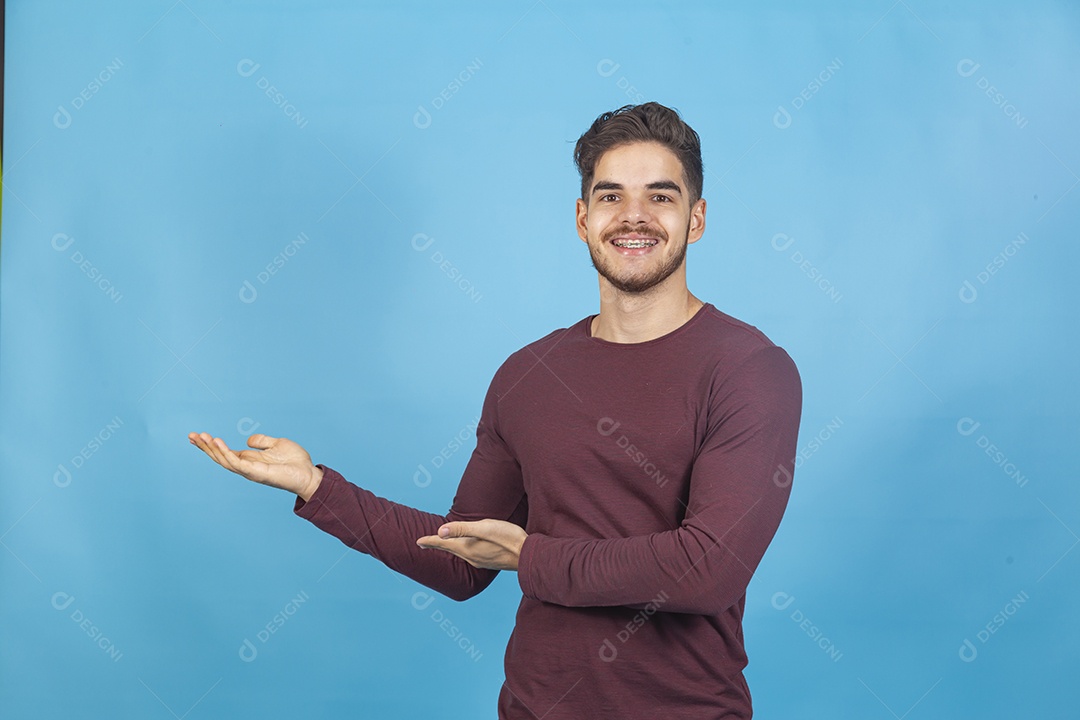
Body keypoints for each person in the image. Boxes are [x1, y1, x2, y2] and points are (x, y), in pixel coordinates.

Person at [190, 101, 802, 719]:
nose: (633, 217)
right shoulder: (527, 375)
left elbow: (707, 571)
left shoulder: (751, 369)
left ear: (696, 219)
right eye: (611, 196)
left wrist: (529, 556)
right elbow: (463, 559)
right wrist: (318, 486)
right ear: (583, 218)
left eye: (660, 197)